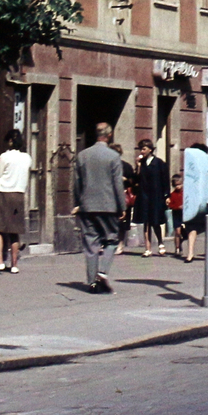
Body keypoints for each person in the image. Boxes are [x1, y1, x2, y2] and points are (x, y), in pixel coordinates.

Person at [73, 122, 125, 293]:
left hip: (87, 206)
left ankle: (91, 282)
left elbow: (77, 182)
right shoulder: (113, 156)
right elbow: (118, 184)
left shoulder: (82, 155)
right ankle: (102, 272)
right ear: (109, 135)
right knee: (111, 240)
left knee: (90, 244)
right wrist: (122, 205)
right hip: (108, 205)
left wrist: (78, 203)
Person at [0, 129, 31, 274]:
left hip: (4, 193)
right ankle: (14, 264)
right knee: (14, 231)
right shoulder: (27, 158)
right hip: (18, 195)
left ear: (10, 141)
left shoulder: (4, 156)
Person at [133, 140, 169, 257]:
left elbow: (165, 180)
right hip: (144, 195)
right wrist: (137, 166)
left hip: (156, 196)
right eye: (141, 149)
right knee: (145, 222)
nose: (141, 151)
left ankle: (160, 242)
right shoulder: (141, 163)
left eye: (144, 149)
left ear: (150, 149)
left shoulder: (159, 163)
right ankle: (147, 248)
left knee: (155, 221)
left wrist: (166, 195)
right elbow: (136, 180)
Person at [180, 142, 208, 263]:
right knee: (196, 226)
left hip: (200, 201)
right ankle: (191, 252)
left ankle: (191, 253)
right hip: (204, 200)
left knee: (195, 227)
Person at [112, 143, 136, 255]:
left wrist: (125, 179)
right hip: (110, 196)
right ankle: (109, 243)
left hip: (124, 196)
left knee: (122, 222)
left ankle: (120, 243)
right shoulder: (107, 166)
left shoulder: (126, 166)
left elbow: (133, 181)